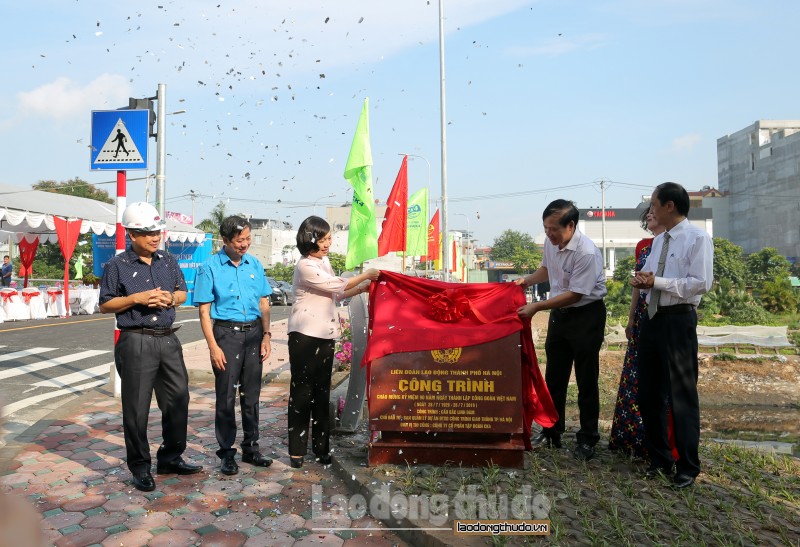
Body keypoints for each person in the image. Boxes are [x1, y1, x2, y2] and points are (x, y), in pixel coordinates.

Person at [99, 202, 201, 492]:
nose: (155, 237)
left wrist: (170, 299)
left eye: (157, 231)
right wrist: (138, 298)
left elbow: (182, 293)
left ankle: (171, 457)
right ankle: (140, 467)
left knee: (178, 400)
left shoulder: (168, 261)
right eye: (148, 233)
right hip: (136, 340)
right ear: (132, 234)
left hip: (168, 338)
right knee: (137, 408)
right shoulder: (116, 265)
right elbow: (106, 304)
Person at [632, 182, 713, 489]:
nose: (650, 210)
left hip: (678, 322)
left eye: (654, 204)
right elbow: (653, 277)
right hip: (652, 321)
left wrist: (659, 282)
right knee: (648, 393)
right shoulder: (658, 241)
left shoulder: (697, 238)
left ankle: (688, 467)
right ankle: (660, 458)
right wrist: (643, 281)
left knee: (681, 396)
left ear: (669, 206)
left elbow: (701, 283)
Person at [516, 199, 607, 461]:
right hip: (561, 317)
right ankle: (552, 430)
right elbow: (546, 269)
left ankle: (588, 437)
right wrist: (526, 281)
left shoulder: (586, 252)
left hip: (586, 316)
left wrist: (538, 306)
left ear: (571, 226)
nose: (549, 234)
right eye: (545, 228)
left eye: (553, 229)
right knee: (555, 376)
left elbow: (576, 295)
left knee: (586, 379)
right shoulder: (551, 242)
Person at [287, 216, 379, 468]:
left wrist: (361, 289)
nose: (328, 244)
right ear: (310, 239)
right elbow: (334, 284)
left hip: (326, 335)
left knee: (322, 393)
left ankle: (321, 448)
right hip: (304, 337)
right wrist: (365, 276)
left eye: (329, 239)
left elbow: (337, 293)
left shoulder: (324, 261)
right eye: (324, 239)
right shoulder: (305, 265)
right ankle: (296, 451)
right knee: (302, 393)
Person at [194, 216, 273, 475]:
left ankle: (251, 448)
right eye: (240, 241)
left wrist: (267, 335)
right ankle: (226, 453)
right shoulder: (209, 267)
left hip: (254, 333)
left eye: (248, 239)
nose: (245, 245)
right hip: (226, 334)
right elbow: (204, 312)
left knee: (251, 396)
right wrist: (213, 347)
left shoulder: (255, 264)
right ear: (226, 240)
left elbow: (264, 303)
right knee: (226, 396)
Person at [609, 206, 668, 458]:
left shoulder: (677, 243)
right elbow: (637, 286)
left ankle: (660, 442)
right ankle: (630, 437)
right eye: (648, 214)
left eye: (654, 211)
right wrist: (631, 316)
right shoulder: (643, 247)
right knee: (635, 377)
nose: (649, 216)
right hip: (644, 315)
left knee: (660, 380)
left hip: (666, 314)